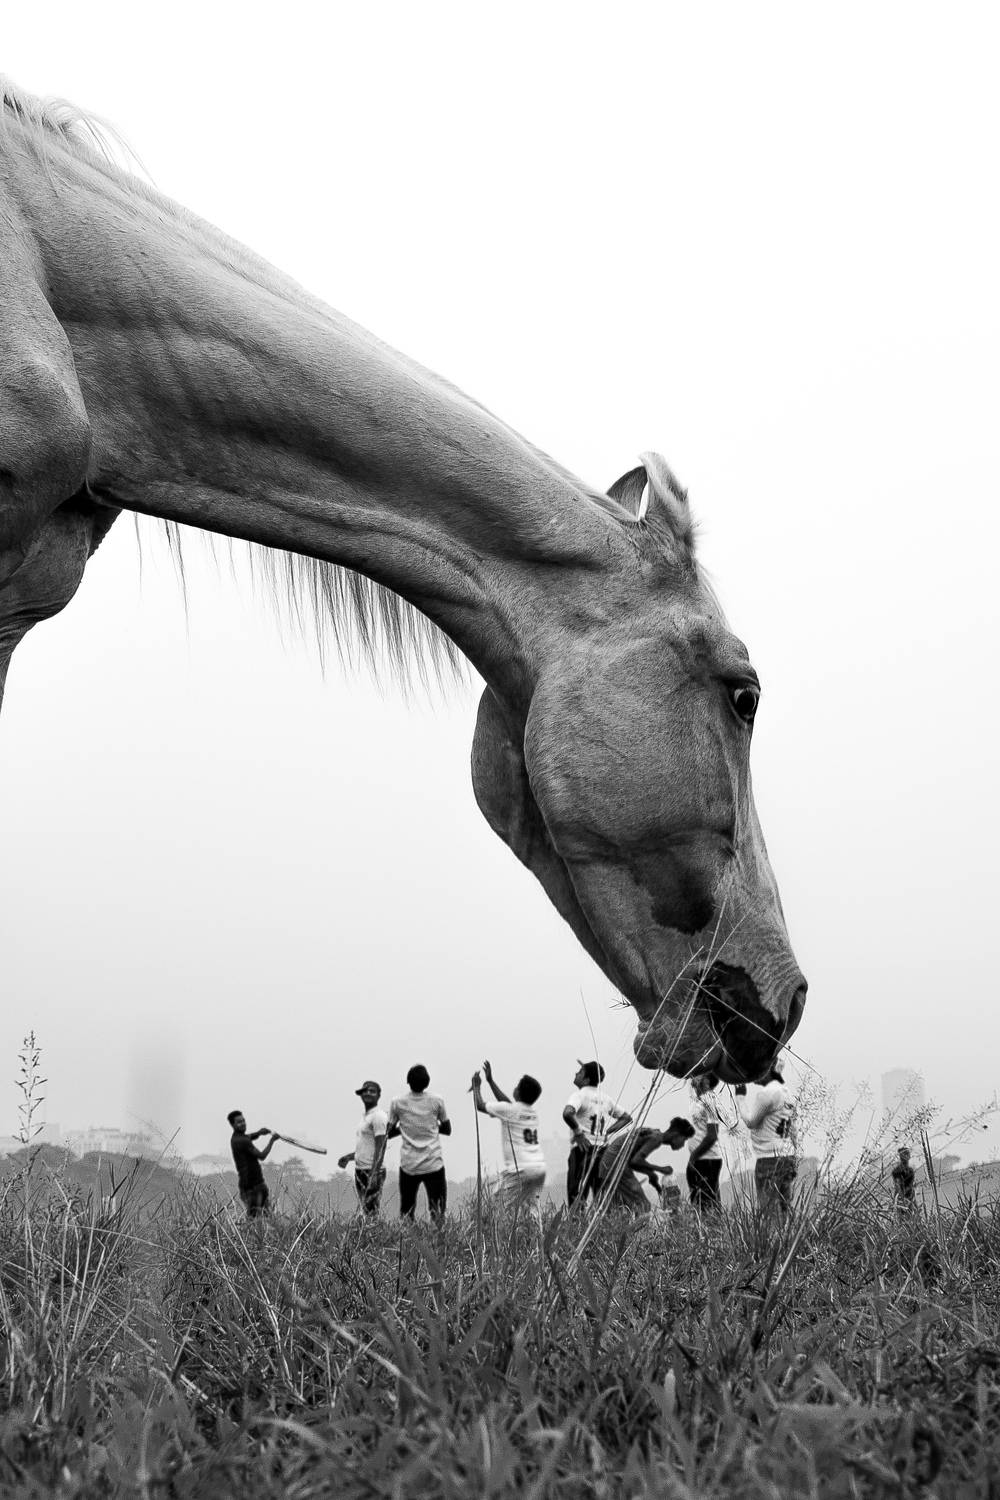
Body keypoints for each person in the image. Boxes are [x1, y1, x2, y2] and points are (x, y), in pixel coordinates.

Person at [471, 1060, 547, 1224]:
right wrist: (491, 1081)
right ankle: (536, 1235)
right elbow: (507, 1105)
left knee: (497, 1202)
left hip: (520, 1169)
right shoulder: (531, 1112)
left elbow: (480, 1105)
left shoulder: (510, 1110)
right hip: (538, 1168)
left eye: (517, 1085)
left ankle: (499, 1232)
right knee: (532, 1207)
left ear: (519, 1092)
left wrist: (477, 1086)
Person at [563, 1060, 632, 1207]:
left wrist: (578, 1133)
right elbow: (626, 1118)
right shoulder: (605, 1098)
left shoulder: (579, 1095)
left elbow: (567, 1113)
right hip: (602, 1150)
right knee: (601, 1195)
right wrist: (606, 1133)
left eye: (580, 1072)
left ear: (586, 1079)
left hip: (582, 1149)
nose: (576, 1073)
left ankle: (576, 1220)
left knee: (576, 1195)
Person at [387, 1064, 452, 1222]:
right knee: (437, 1210)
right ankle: (438, 1236)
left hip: (409, 1165)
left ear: (408, 1081)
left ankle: (409, 1236)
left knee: (407, 1210)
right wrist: (430, 1126)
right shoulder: (437, 1101)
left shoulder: (397, 1102)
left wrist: (405, 1127)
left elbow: (388, 1132)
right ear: (427, 1082)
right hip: (433, 1163)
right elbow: (447, 1129)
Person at [735, 1064, 797, 1219]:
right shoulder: (786, 1093)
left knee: (769, 1215)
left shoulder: (766, 1094)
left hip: (769, 1159)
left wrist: (740, 1098)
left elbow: (751, 1122)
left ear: (768, 1070)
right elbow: (793, 1129)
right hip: (787, 1156)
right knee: (785, 1211)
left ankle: (773, 1236)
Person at [599, 1118, 694, 1213]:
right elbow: (636, 1161)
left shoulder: (654, 1134)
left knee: (618, 1205)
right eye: (684, 1139)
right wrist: (661, 1169)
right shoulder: (656, 1138)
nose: (683, 1145)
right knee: (643, 1205)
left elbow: (633, 1161)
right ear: (676, 1135)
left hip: (608, 1163)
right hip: (615, 1163)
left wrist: (650, 1173)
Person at [337, 1079, 389, 1216]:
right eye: (365, 1091)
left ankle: (373, 1230)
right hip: (361, 1169)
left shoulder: (378, 1117)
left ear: (378, 1095)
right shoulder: (366, 1118)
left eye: (372, 1091)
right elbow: (366, 1148)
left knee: (371, 1210)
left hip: (371, 1170)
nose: (368, 1093)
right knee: (365, 1209)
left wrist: (374, 1173)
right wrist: (348, 1157)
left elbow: (381, 1146)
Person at [227, 1110, 280, 1218]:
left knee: (267, 1217)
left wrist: (259, 1133)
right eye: (239, 1122)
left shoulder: (236, 1138)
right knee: (254, 1218)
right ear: (233, 1125)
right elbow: (262, 1155)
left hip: (257, 1184)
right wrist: (272, 1140)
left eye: (243, 1120)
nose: (243, 1123)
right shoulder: (242, 1141)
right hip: (251, 1187)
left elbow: (249, 1136)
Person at [687, 1073, 723, 1211]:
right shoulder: (699, 1101)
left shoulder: (710, 1102)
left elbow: (712, 1135)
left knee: (707, 1203)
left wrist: (693, 1157)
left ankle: (713, 1224)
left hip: (707, 1160)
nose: (693, 1078)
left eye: (698, 1076)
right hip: (700, 1159)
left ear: (706, 1080)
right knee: (699, 1202)